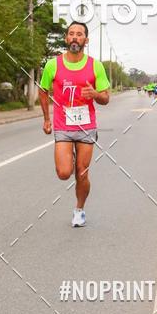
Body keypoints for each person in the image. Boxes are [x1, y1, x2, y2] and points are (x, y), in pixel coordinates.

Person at [39, 21, 110, 227]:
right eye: (71, 34)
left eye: (79, 34)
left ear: (85, 40)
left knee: (82, 173)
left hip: (86, 127)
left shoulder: (95, 65)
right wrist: (46, 119)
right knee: (63, 173)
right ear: (66, 39)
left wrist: (95, 94)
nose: (75, 37)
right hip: (63, 125)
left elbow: (106, 98)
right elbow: (43, 91)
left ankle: (79, 210)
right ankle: (68, 155)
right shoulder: (53, 65)